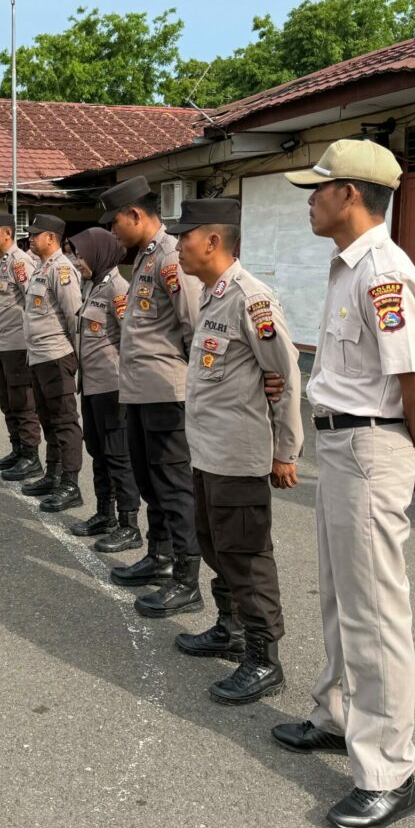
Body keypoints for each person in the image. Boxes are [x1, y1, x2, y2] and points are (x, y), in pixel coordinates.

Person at [271, 138, 415, 828]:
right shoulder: (348, 266)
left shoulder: (383, 274)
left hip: (372, 446)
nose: (309, 200)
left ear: (350, 194)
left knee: (374, 613)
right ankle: (337, 713)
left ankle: (388, 773)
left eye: (317, 188)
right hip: (344, 445)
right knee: (340, 594)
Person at [167, 198, 304, 705]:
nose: (178, 247)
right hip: (208, 452)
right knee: (214, 543)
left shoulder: (251, 299)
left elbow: (285, 374)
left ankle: (264, 658)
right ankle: (231, 628)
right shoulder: (211, 295)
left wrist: (286, 450)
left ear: (212, 241)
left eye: (185, 237)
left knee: (246, 555)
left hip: (239, 454)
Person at [97, 176, 204, 618]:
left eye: (115, 223)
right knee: (149, 480)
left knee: (174, 486)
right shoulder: (144, 257)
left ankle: (187, 578)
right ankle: (160, 556)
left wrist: (190, 385)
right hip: (140, 392)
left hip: (165, 392)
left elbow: (194, 325)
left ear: (136, 215)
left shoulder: (170, 258)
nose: (113, 232)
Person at [65, 227, 142, 546]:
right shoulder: (93, 286)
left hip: (113, 388)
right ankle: (104, 514)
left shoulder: (118, 290)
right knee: (98, 453)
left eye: (81, 256)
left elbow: (131, 339)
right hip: (92, 386)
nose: (77, 262)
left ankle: (129, 525)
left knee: (119, 457)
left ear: (98, 254)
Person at [21, 214, 85, 513]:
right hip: (39, 356)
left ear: (51, 238)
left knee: (64, 421)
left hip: (57, 356)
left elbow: (75, 317)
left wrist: (77, 359)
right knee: (47, 419)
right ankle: (54, 474)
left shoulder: (62, 269)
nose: (31, 238)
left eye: (36, 234)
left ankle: (71, 485)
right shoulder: (41, 267)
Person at [0, 213, 43, 481]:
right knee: (6, 400)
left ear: (7, 233)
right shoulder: (2, 262)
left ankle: (31, 457)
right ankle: (17, 450)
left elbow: (35, 301)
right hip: (1, 345)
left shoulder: (20, 262)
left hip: (17, 346)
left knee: (23, 402)